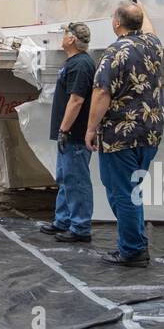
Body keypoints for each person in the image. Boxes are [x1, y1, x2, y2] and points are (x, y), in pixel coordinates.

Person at [85, 0, 164, 267]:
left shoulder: (114, 53)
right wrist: (140, 5)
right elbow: (149, 27)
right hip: (150, 131)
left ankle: (132, 250)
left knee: (122, 192)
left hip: (120, 134)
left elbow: (101, 93)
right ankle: (136, 243)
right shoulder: (153, 45)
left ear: (116, 23)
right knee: (133, 190)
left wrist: (91, 128)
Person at [38, 22, 96, 243]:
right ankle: (63, 220)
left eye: (64, 34)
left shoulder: (81, 65)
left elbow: (77, 100)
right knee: (65, 178)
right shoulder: (74, 62)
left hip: (75, 134)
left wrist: (64, 129)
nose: (62, 37)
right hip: (69, 135)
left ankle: (80, 227)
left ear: (71, 39)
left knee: (77, 181)